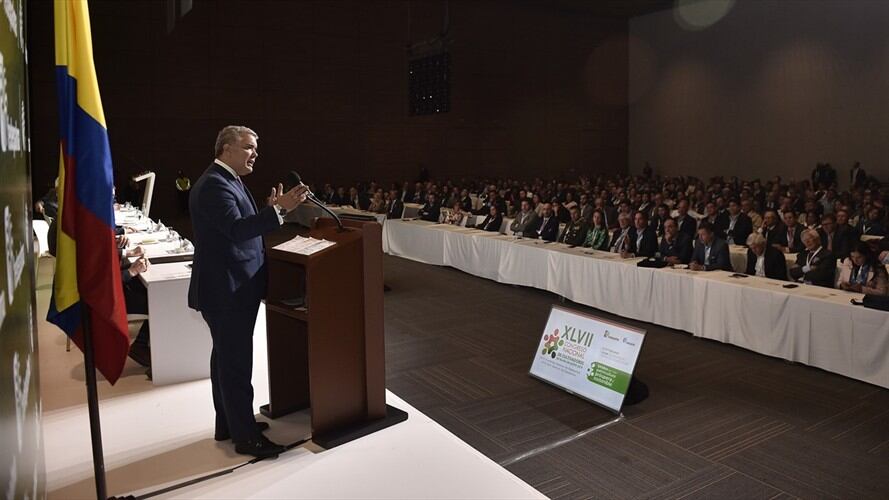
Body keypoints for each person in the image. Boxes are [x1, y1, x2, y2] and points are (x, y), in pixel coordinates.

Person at [189, 125, 307, 459]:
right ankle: (246, 438)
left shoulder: (228, 180)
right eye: (248, 147)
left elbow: (238, 227)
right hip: (227, 290)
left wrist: (269, 212)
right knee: (236, 365)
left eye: (255, 148)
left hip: (231, 287)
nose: (255, 153)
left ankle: (229, 424)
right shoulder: (215, 184)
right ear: (226, 149)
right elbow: (237, 230)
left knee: (226, 360)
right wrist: (279, 211)